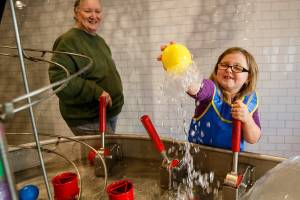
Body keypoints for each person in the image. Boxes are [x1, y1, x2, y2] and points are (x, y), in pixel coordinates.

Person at [159, 45, 261, 150]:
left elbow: (253, 138)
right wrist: (182, 69)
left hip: (232, 161)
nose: (229, 70)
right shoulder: (211, 90)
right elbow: (196, 87)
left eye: (237, 67)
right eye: (224, 65)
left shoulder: (249, 100)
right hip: (200, 157)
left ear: (248, 78)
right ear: (217, 70)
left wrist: (247, 120)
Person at [48, 0, 123, 135]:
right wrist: (96, 92)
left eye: (97, 11)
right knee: (105, 155)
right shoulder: (68, 41)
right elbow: (60, 80)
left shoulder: (99, 41)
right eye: (88, 11)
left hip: (108, 113)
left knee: (110, 154)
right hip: (88, 118)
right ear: (76, 12)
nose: (94, 16)